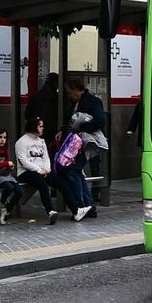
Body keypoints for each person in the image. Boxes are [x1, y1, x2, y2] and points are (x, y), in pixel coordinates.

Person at [65, 77, 107, 220]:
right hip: (80, 142)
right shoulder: (76, 103)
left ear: (77, 90)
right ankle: (89, 206)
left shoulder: (92, 102)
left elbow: (100, 120)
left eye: (71, 92)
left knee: (73, 171)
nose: (70, 95)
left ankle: (83, 205)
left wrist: (83, 127)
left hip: (89, 142)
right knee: (76, 172)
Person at [13, 116, 58, 224]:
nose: (43, 128)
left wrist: (47, 169)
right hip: (26, 172)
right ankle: (50, 211)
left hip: (41, 171)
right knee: (42, 183)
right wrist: (38, 170)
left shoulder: (41, 141)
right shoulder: (22, 142)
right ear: (34, 127)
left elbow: (46, 157)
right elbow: (23, 161)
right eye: (40, 126)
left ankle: (76, 209)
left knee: (60, 181)